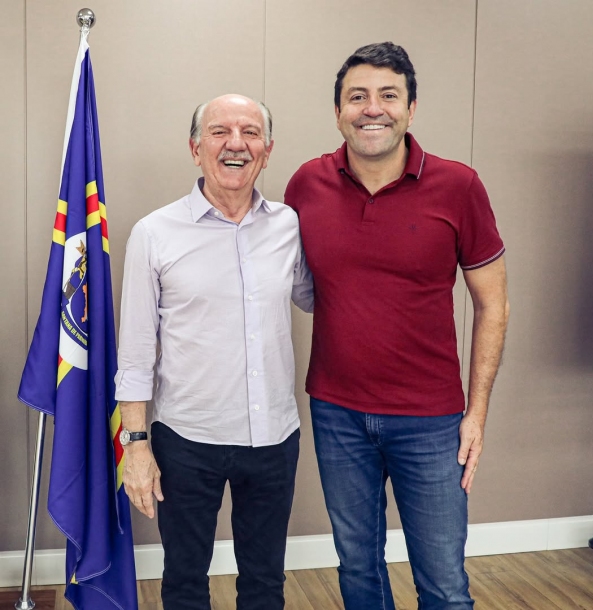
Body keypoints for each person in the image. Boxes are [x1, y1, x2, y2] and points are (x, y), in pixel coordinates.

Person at [284, 42, 509, 609]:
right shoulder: (306, 184)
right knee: (358, 571)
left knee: (444, 585)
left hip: (430, 419)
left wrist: (477, 412)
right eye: (357, 96)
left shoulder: (459, 186)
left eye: (388, 95)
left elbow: (494, 305)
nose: (372, 109)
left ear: (411, 108)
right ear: (338, 111)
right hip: (336, 413)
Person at [115, 94, 313, 610]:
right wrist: (136, 446)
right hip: (186, 439)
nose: (235, 144)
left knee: (265, 582)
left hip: (273, 437)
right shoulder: (154, 233)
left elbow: (322, 298)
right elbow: (135, 353)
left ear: (267, 150)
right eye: (220, 131)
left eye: (250, 132)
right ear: (195, 148)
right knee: (184, 580)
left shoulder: (290, 227)